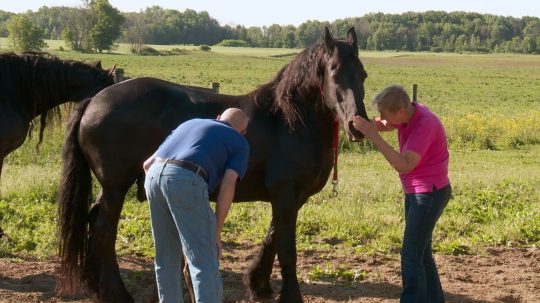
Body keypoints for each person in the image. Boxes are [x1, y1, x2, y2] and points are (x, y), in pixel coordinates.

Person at [352, 85, 451, 303]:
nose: (382, 119)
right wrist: (364, 125)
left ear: (401, 112)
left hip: (429, 195)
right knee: (421, 253)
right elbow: (385, 124)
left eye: (385, 115)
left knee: (411, 254)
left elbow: (405, 165)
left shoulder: (425, 125)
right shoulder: (410, 113)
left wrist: (373, 136)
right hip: (419, 192)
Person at [143, 108, 250, 303]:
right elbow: (228, 185)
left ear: (218, 118)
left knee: (166, 258)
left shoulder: (189, 123)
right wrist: (216, 232)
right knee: (204, 260)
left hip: (153, 176)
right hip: (187, 179)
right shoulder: (239, 141)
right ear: (242, 132)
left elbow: (147, 164)